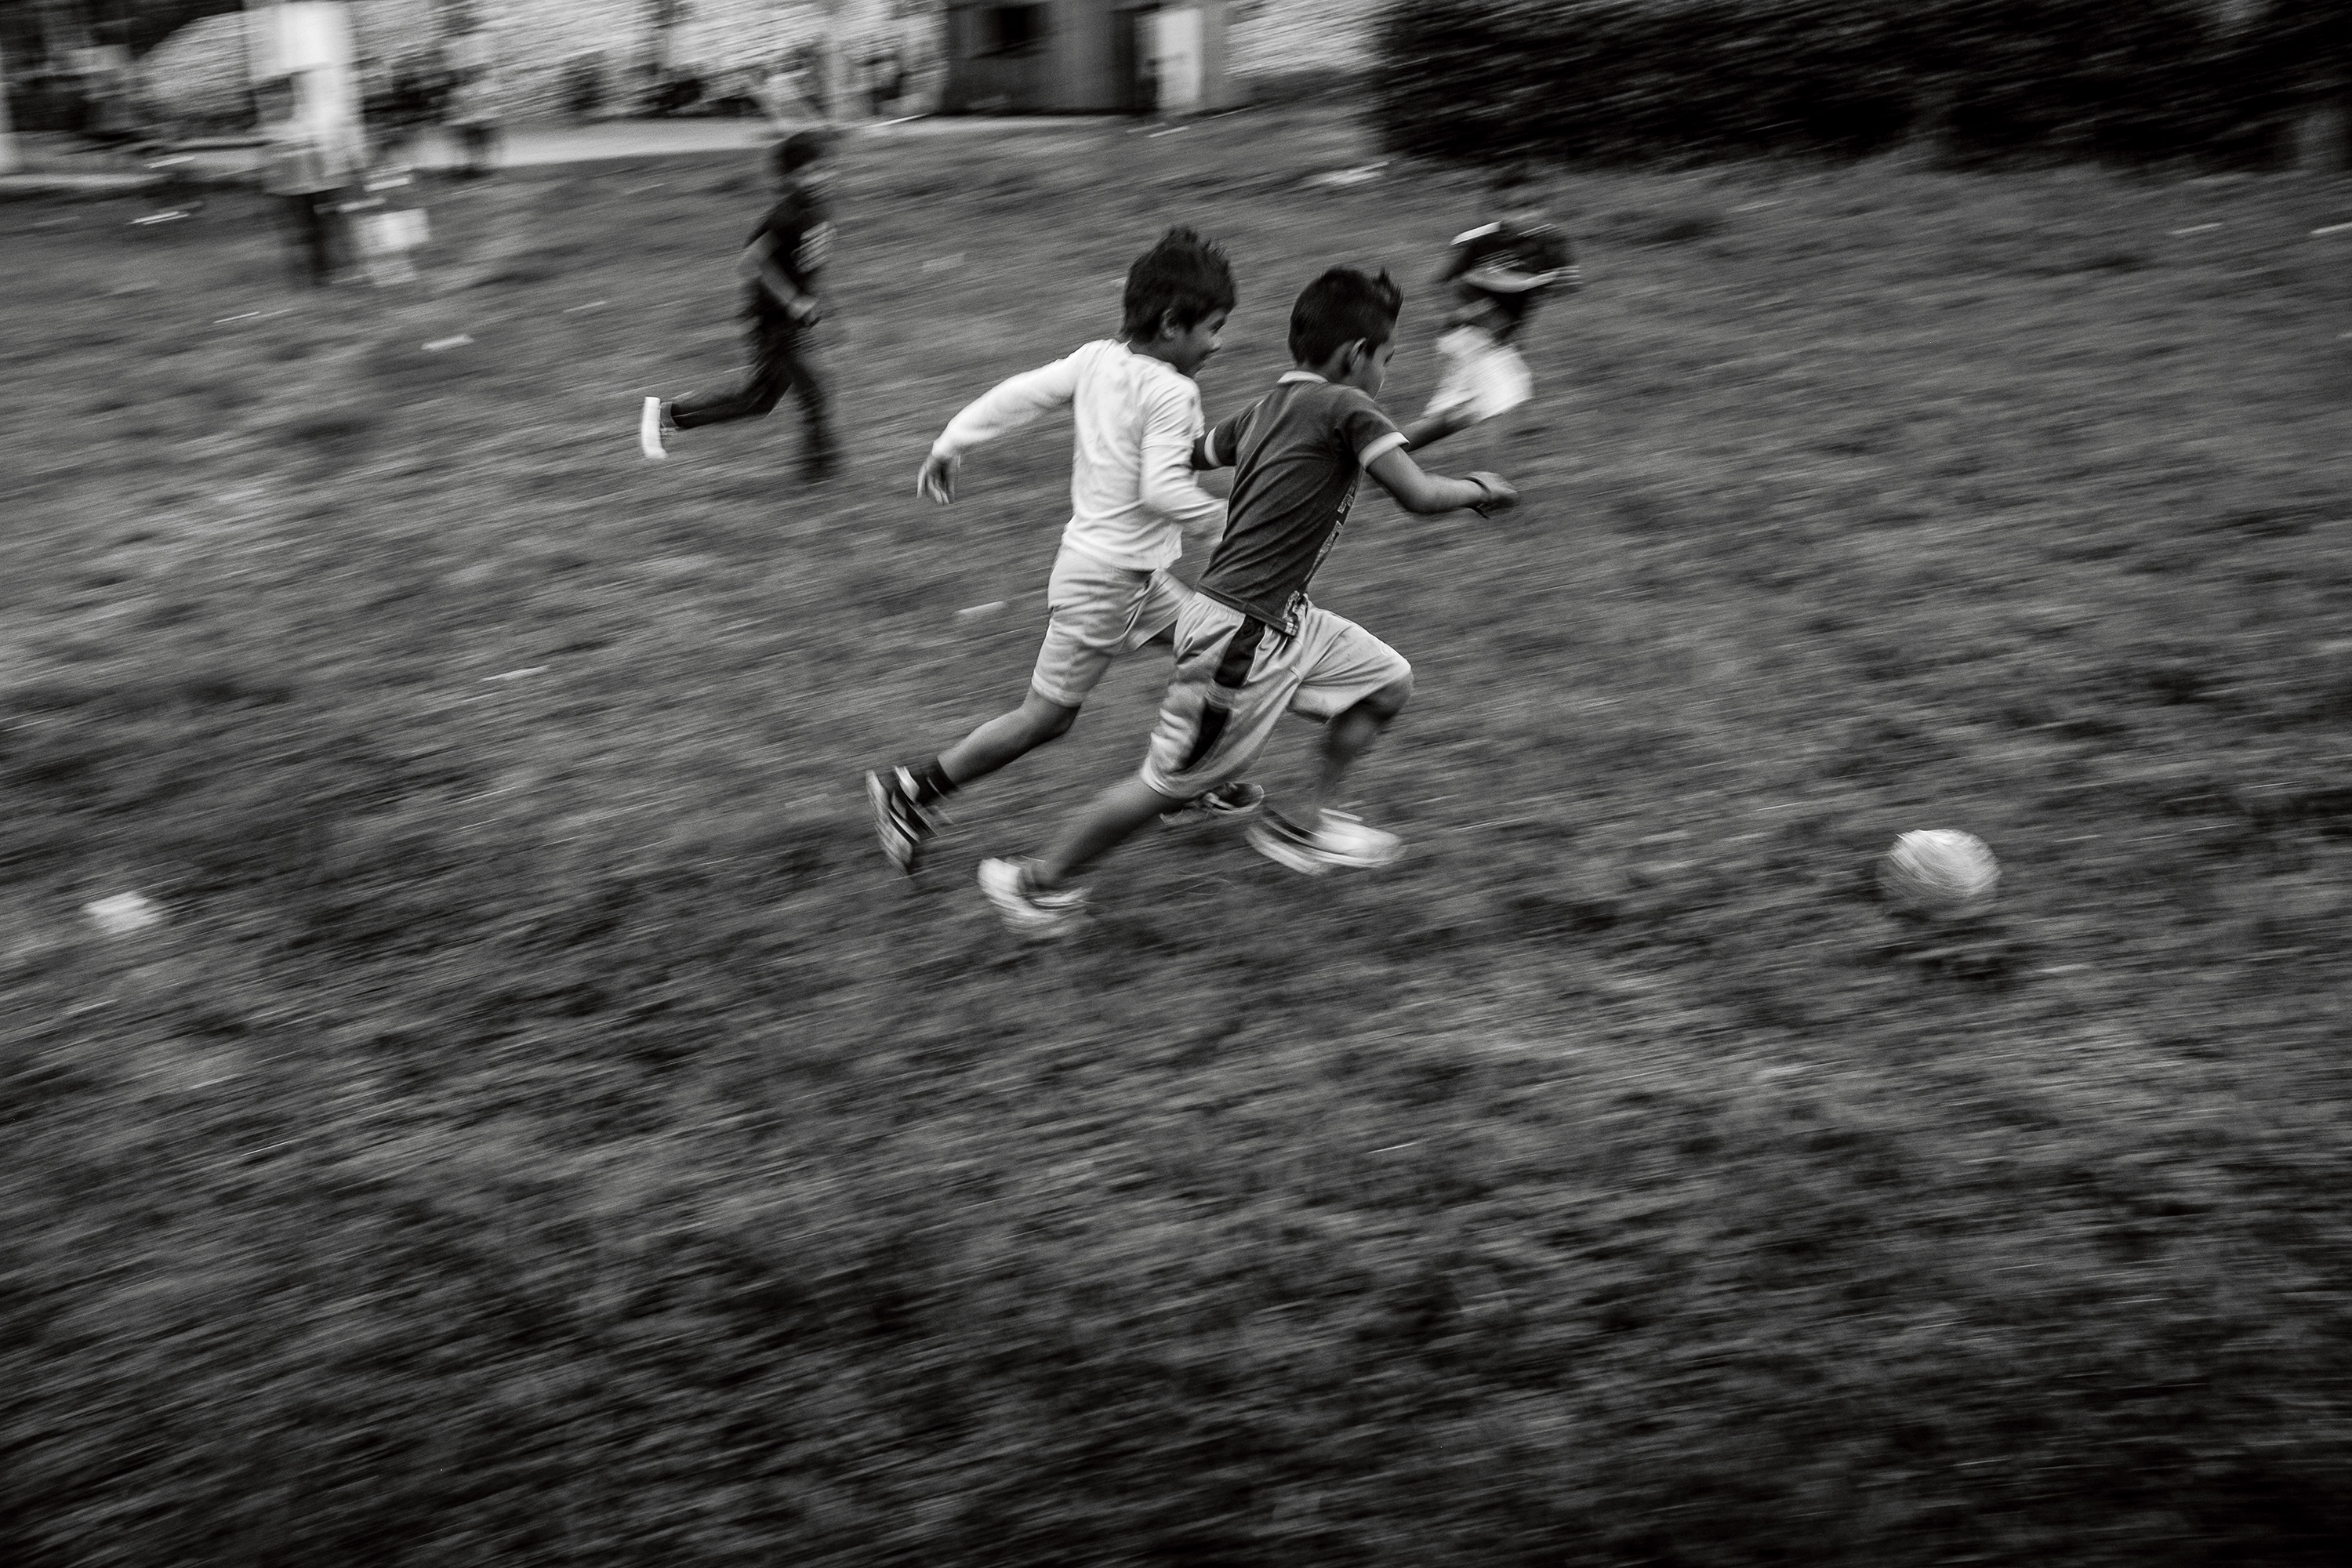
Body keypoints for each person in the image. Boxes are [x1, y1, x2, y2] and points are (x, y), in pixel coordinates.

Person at [977, 266, 1521, 939]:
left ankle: (1311, 826)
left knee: (1386, 684)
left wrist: (1440, 423)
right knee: (1168, 783)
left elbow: (1205, 453)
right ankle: (1034, 886)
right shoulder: (1347, 411)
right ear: (1356, 355)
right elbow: (1413, 492)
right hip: (1241, 633)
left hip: (1284, 617)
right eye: (1385, 358)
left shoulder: (1274, 407)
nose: (1385, 371)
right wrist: (1479, 487)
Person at [864, 227, 1263, 876]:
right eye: (1212, 328)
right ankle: (910, 792)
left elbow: (1020, 393)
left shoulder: (1097, 359)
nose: (1218, 344)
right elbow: (1161, 488)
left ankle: (1193, 780)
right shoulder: (1172, 391)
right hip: (1107, 583)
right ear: (1169, 325)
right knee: (1045, 719)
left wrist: (951, 440)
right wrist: (1224, 521)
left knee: (1221, 651)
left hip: (1132, 576)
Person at [640, 132, 840, 479]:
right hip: (773, 324)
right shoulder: (785, 214)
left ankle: (669, 415)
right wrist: (793, 302)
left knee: (757, 402)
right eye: (810, 172)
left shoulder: (817, 209)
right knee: (814, 392)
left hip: (792, 324)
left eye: (825, 169)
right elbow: (753, 260)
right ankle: (819, 472)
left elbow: (807, 266)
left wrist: (818, 303)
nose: (820, 178)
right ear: (791, 177)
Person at [1417, 164, 1580, 450]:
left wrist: (1559, 280)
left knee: (1457, 415)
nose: (1528, 213)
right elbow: (1439, 284)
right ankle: (1490, 489)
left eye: (1534, 205)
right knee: (1509, 398)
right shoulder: (1477, 243)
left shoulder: (1550, 241)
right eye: (1515, 207)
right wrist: (1478, 313)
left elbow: (1566, 284)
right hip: (1467, 337)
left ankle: (1383, 457)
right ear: (1496, 211)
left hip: (1501, 341)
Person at [258, 72, 358, 288]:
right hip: (295, 188)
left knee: (321, 228)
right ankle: (316, 274)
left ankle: (326, 271)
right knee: (307, 230)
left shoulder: (310, 118)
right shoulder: (277, 123)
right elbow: (272, 159)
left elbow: (319, 151)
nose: (291, 98)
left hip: (314, 184)